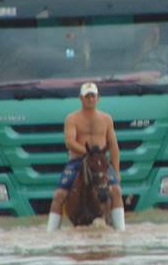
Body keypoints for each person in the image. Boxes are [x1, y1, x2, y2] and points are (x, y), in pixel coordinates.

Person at [47, 82, 125, 231]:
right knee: (59, 195)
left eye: (93, 96)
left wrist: (116, 170)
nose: (90, 99)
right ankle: (50, 232)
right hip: (78, 160)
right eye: (87, 96)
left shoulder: (106, 119)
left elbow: (113, 145)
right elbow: (70, 142)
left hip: (100, 162)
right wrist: (88, 153)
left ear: (98, 98)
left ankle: (121, 230)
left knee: (116, 191)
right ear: (81, 98)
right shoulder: (72, 118)